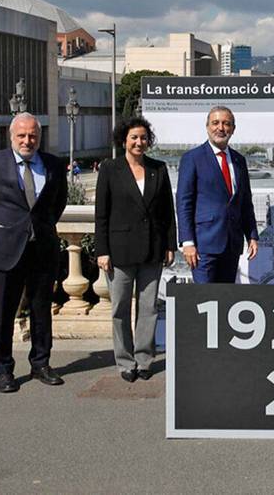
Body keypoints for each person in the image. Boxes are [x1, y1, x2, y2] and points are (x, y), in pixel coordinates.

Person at [0, 113, 68, 394]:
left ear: (39, 137)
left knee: (41, 311)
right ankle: (3, 369)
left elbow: (58, 202)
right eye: (22, 135)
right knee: (3, 313)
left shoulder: (53, 165)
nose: (27, 140)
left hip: (42, 250)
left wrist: (41, 228)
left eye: (32, 135)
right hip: (3, 251)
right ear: (12, 137)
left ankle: (41, 363)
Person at [95, 117, 177, 382]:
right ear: (124, 140)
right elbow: (101, 214)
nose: (139, 142)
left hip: (152, 250)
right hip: (118, 252)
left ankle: (143, 359)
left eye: (143, 138)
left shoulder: (159, 168)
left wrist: (169, 245)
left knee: (148, 308)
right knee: (119, 308)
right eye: (134, 138)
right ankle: (124, 361)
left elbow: (167, 212)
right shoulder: (109, 168)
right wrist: (102, 250)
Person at [176, 106, 258, 283]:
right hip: (203, 246)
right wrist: (187, 242)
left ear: (233, 129)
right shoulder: (192, 158)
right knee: (204, 300)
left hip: (232, 245)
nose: (221, 128)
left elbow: (245, 202)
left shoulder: (239, 160)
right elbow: (184, 202)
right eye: (215, 123)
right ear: (207, 127)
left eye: (226, 124)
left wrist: (251, 235)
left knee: (225, 300)